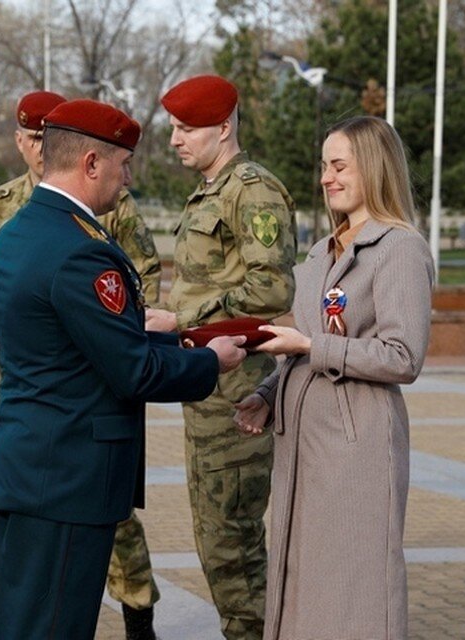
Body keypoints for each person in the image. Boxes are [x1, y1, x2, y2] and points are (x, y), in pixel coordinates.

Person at [0, 98, 247, 639]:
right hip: (66, 478)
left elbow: (61, 339)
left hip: (25, 465)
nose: (127, 179)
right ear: (91, 164)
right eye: (123, 165)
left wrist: (136, 325)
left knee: (13, 623)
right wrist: (208, 361)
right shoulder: (80, 250)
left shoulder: (19, 231)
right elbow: (133, 373)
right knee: (53, 628)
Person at [0, 90, 165, 640]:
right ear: (22, 142)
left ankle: (139, 616)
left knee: (107, 530)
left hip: (87, 389)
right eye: (33, 138)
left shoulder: (109, 207)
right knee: (19, 553)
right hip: (29, 397)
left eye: (49, 138)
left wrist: (133, 330)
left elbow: (135, 288)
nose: (41, 149)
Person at [234, 116, 434, 640]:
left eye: (339, 165)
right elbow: (302, 343)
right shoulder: (323, 252)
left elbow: (402, 356)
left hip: (356, 448)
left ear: (372, 167)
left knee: (355, 590)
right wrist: (267, 394)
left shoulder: (399, 249)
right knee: (302, 583)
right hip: (303, 446)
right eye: (324, 166)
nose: (326, 177)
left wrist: (310, 345)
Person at [147, 74, 297, 639]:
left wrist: (184, 320)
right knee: (216, 540)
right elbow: (211, 283)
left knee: (231, 544)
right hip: (208, 387)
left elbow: (272, 290)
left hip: (238, 393)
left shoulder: (251, 189)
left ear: (224, 128)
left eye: (187, 129)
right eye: (174, 129)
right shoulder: (212, 188)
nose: (175, 140)